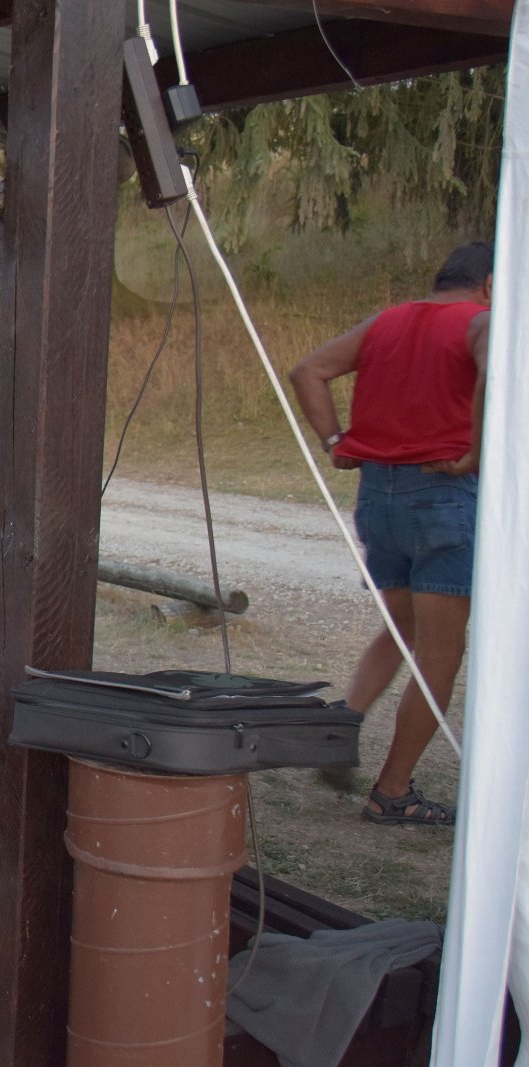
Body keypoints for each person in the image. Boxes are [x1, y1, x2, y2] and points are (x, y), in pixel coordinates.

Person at [289, 241, 491, 827]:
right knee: (440, 652)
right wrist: (477, 450)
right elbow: (493, 369)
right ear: (489, 283)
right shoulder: (482, 322)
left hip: (378, 494)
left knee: (401, 628)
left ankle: (338, 731)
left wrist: (335, 442)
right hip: (443, 490)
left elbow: (307, 371)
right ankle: (392, 792)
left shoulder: (388, 321)